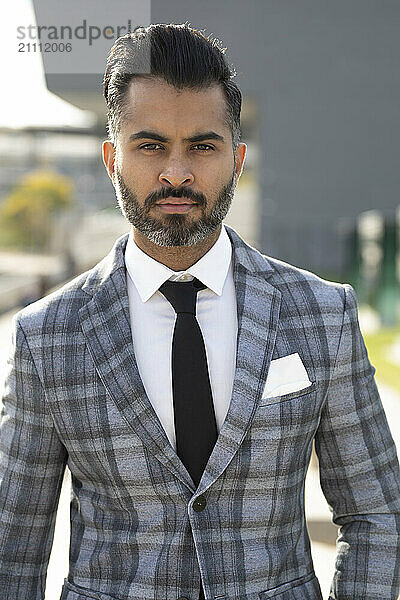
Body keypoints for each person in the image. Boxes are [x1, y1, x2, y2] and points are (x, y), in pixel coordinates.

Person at [0, 22, 399, 600]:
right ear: (113, 158)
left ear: (237, 159)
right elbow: (14, 544)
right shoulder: (48, 335)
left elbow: (377, 514)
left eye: (202, 146)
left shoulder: (322, 314)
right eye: (151, 145)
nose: (176, 173)